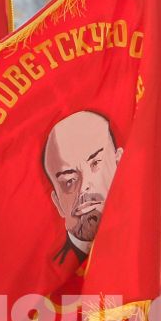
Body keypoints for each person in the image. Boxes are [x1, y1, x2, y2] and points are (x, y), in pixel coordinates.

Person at [40, 110, 120, 274]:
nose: (84, 187)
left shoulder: (160, 246)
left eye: (96, 163)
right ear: (58, 203)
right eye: (69, 180)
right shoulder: (46, 281)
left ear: (121, 164)